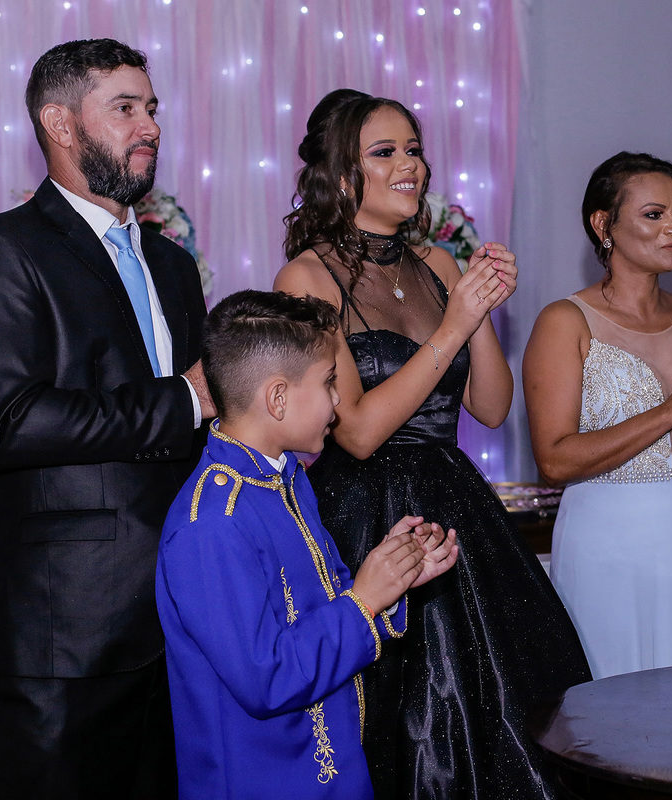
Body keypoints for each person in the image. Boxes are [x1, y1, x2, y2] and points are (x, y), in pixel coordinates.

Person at [274, 89, 591, 800]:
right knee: (396, 713)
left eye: (413, 149)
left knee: (508, 704)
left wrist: (477, 305)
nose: (410, 165)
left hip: (455, 503)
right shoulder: (306, 276)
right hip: (365, 514)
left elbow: (492, 406)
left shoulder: (438, 264)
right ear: (341, 174)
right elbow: (357, 431)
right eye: (385, 152)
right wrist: (454, 325)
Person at [0, 38, 213, 798]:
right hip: (64, 631)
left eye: (151, 107)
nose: (150, 126)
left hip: (182, 616)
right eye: (125, 108)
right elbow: (13, 422)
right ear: (60, 124)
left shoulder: (172, 265)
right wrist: (185, 398)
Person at [156, 289, 459, 800]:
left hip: (332, 768)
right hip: (265, 781)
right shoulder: (211, 525)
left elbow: (322, 605)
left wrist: (391, 579)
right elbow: (267, 678)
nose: (338, 400)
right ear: (277, 398)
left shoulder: (286, 478)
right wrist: (365, 600)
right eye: (328, 381)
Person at [522, 152, 672, 679]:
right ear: (603, 225)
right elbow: (555, 461)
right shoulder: (565, 322)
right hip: (607, 541)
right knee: (613, 702)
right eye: (654, 215)